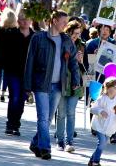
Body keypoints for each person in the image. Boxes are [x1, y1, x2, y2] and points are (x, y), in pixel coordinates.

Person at [24, 10, 80, 160]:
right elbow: (29, 62)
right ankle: (45, 148)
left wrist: (76, 80)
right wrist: (27, 86)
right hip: (41, 84)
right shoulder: (38, 38)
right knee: (43, 118)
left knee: (48, 119)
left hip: (58, 85)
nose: (65, 25)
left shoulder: (66, 40)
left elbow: (73, 62)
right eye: (63, 22)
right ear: (54, 21)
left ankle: (35, 143)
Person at [0, 8, 34, 136]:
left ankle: (16, 123)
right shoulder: (11, 34)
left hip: (28, 73)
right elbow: (1, 52)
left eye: (27, 19)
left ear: (31, 21)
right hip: (12, 71)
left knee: (22, 99)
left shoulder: (35, 37)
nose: (25, 22)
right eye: (22, 19)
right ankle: (10, 124)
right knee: (14, 97)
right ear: (18, 20)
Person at [56, 20, 86, 152]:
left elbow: (87, 68)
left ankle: (69, 141)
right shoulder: (62, 42)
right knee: (61, 113)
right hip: (62, 81)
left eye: (78, 34)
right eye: (73, 33)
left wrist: (82, 61)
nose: (75, 36)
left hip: (76, 82)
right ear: (68, 31)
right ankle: (60, 141)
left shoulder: (82, 45)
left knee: (71, 112)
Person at [89, 77, 116, 166]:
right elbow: (93, 109)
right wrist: (100, 111)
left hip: (109, 127)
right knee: (101, 143)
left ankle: (92, 160)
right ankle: (95, 162)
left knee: (102, 145)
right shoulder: (102, 98)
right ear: (108, 88)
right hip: (99, 125)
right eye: (115, 87)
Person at [0, 9, 18, 102]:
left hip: (0, 55)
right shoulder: (16, 31)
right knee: (7, 75)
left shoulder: (0, 29)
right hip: (11, 57)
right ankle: (3, 93)